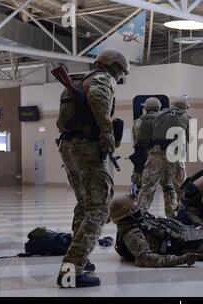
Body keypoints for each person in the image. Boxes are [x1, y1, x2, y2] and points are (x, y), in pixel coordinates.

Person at [56, 49, 130, 288]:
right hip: (87, 146)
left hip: (68, 146)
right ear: (115, 67)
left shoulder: (79, 80)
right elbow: (98, 96)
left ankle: (81, 259)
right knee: (99, 208)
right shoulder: (102, 79)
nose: (119, 77)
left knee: (85, 204)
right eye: (120, 72)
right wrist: (107, 132)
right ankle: (72, 270)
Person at [137, 95, 191, 217]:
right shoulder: (186, 117)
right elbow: (190, 138)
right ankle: (178, 216)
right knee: (179, 187)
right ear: (186, 106)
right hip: (174, 155)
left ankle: (139, 215)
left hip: (155, 154)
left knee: (147, 187)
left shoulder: (159, 115)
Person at [130, 97, 162, 188]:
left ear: (145, 108)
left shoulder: (137, 122)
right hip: (158, 156)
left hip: (141, 156)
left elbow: (135, 140)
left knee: (141, 186)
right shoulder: (162, 121)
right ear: (158, 108)